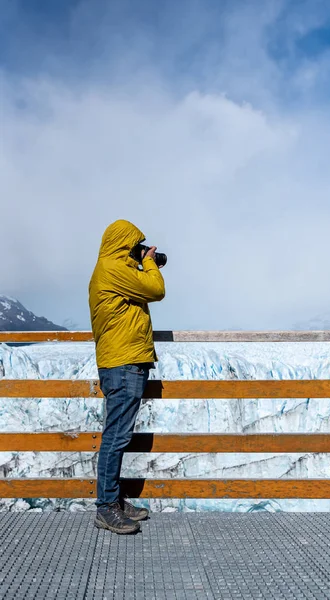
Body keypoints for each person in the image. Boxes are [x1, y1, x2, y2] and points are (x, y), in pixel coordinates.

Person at [89, 219, 165, 534]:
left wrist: (141, 262)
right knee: (116, 437)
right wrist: (149, 264)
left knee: (118, 436)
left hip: (124, 362)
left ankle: (115, 502)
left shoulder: (114, 269)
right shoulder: (113, 269)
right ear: (125, 244)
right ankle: (106, 508)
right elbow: (156, 290)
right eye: (136, 246)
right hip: (123, 364)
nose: (140, 252)